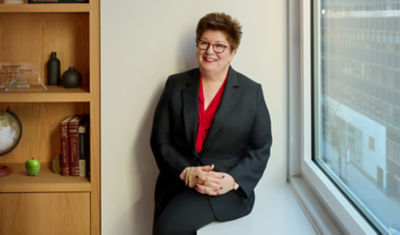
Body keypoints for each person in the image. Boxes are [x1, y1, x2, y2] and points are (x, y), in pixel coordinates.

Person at [150, 12, 272, 235]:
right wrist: (186, 172)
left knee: (168, 229)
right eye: (204, 43)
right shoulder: (175, 85)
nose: (209, 51)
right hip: (179, 180)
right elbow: (160, 140)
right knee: (162, 225)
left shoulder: (251, 92)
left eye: (219, 46)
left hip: (223, 190)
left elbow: (260, 149)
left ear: (233, 52)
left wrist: (233, 180)